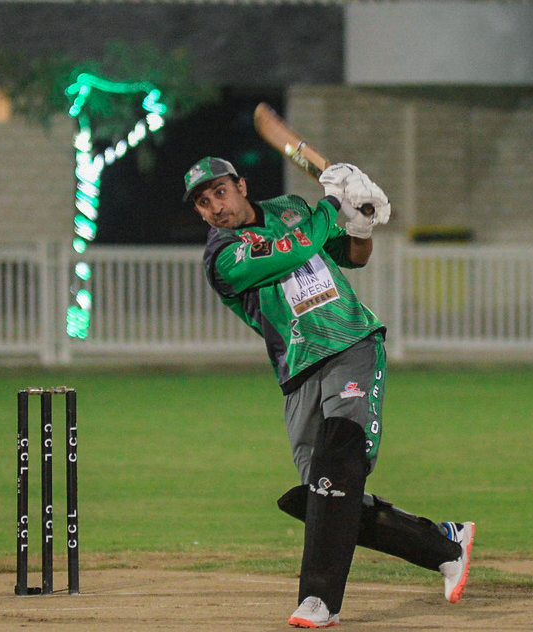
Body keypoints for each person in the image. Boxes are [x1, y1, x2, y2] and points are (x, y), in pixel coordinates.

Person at [183, 157, 474, 628]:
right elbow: (295, 250)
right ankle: (443, 545)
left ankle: (319, 600)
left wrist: (360, 223)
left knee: (338, 462)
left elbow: (353, 255)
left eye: (219, 192)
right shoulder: (223, 257)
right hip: (298, 371)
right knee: (321, 497)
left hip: (350, 343)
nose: (214, 206)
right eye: (203, 202)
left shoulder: (292, 208)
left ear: (241, 186)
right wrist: (333, 201)